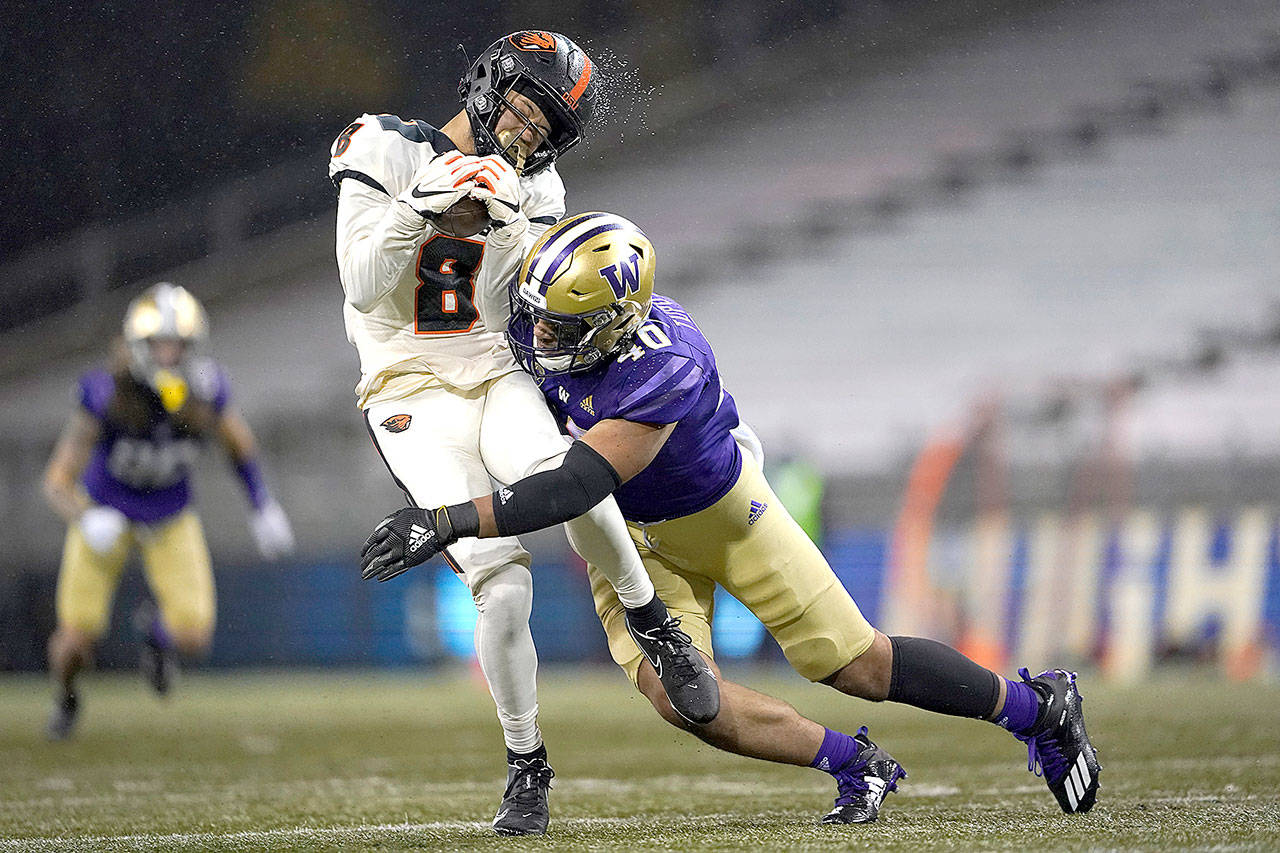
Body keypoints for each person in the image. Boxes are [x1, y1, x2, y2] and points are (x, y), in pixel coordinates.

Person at [360, 213, 1103, 823]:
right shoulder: (542, 323)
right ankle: (856, 764)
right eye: (539, 320)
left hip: (723, 515)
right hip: (632, 545)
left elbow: (575, 485)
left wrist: (447, 518)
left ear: (614, 322)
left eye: (562, 328)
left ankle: (1037, 707)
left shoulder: (663, 362)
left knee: (858, 665)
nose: (539, 338)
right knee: (687, 700)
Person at [329, 32, 717, 836]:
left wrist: (506, 223)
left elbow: (529, 307)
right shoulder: (382, 145)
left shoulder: (539, 187)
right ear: (489, 81)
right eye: (525, 105)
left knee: (567, 474)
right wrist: (421, 206)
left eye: (548, 124)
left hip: (494, 371)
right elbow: (365, 287)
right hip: (407, 386)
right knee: (503, 583)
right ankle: (526, 759)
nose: (529, 129)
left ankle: (654, 623)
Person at [42, 282, 295, 740]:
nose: (169, 355)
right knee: (75, 641)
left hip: (169, 515)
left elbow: (239, 447)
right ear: (137, 346)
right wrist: (85, 516)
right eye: (159, 344)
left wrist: (263, 506)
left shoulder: (205, 391)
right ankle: (66, 697)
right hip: (107, 514)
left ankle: (156, 642)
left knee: (193, 635)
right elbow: (56, 481)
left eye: (178, 344)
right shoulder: (106, 393)